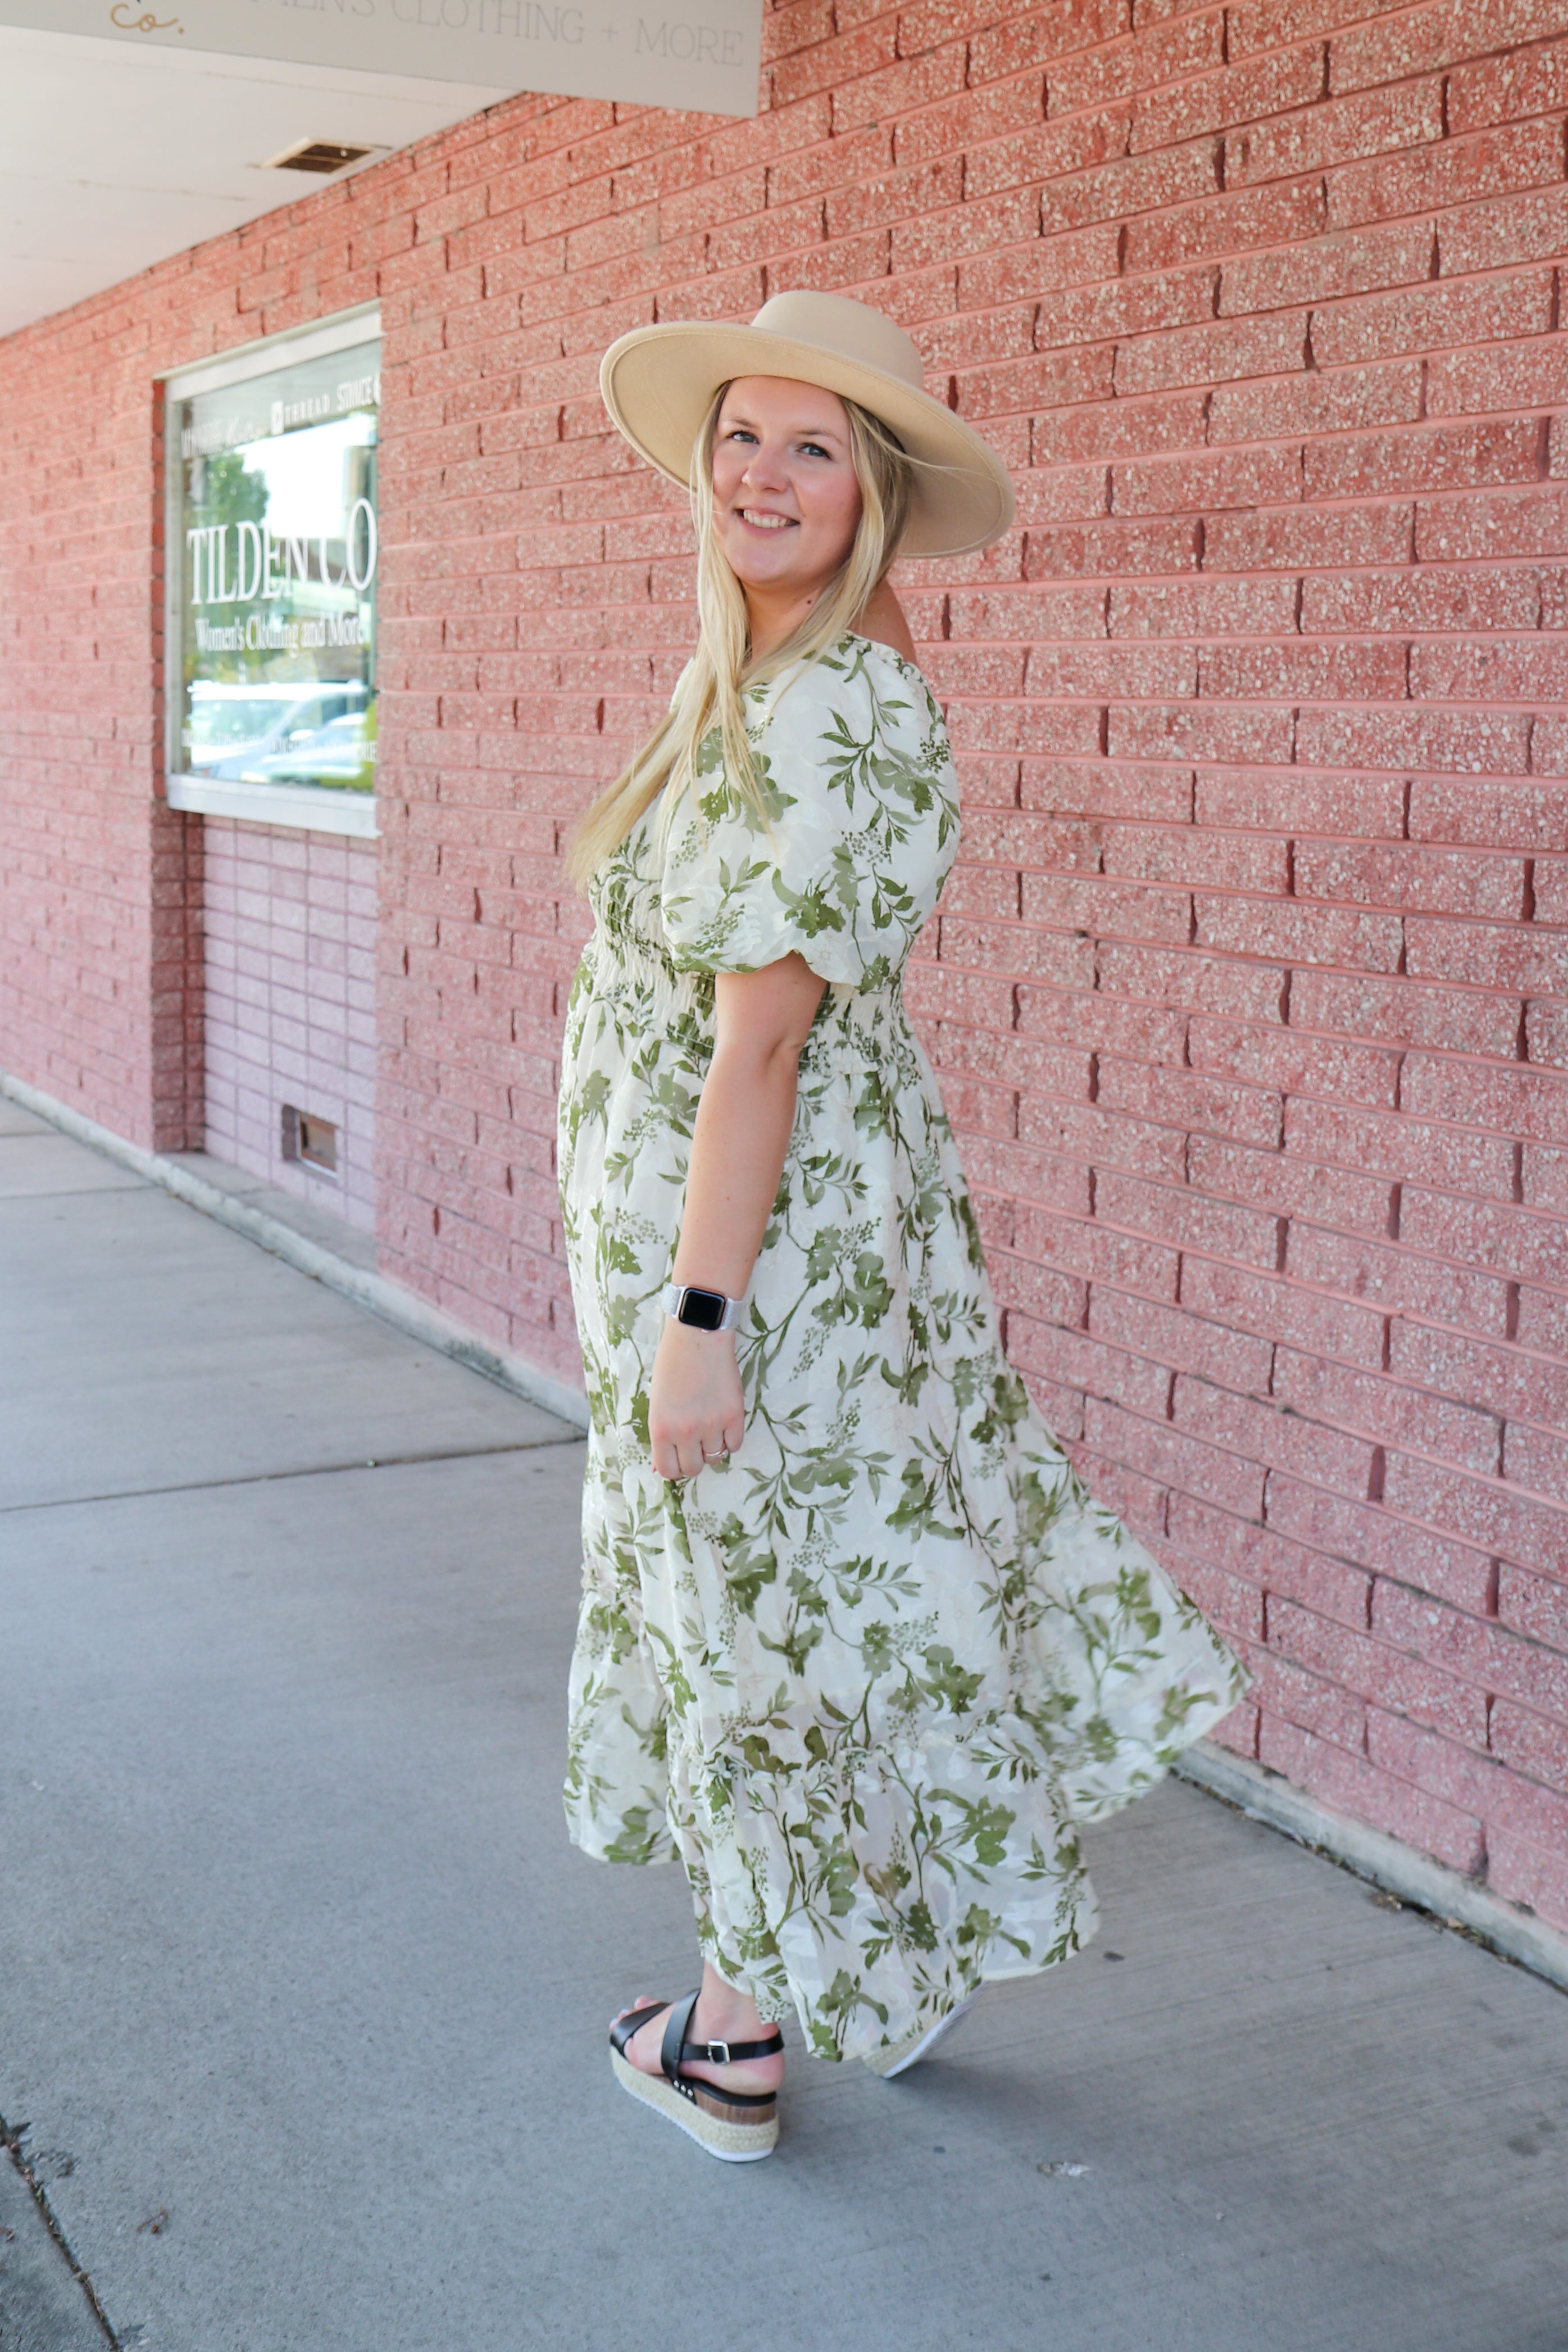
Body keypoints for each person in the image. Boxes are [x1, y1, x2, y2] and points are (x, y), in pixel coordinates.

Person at [557, 290, 1246, 2163]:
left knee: (766, 1625)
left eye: (812, 445)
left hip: (765, 1271)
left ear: (870, 493)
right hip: (747, 1251)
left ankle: (732, 2039)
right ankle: (864, 1948)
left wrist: (700, 1311)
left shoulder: (843, 699)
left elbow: (762, 1040)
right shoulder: (765, 681)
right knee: (802, 1607)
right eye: (742, 435)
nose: (759, 473)